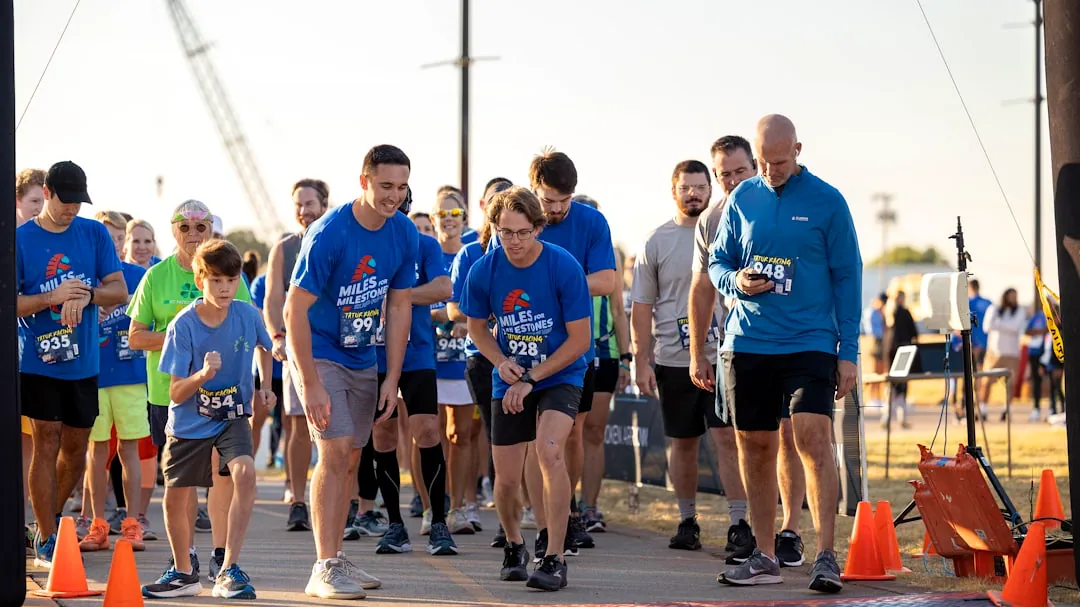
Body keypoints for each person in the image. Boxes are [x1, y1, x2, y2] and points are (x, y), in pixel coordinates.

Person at [710, 115, 861, 593]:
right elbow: (718, 260)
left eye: (779, 161)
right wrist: (735, 282)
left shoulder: (828, 201)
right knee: (755, 447)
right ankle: (764, 554)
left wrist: (849, 351)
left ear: (797, 149)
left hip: (810, 341)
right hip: (749, 342)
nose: (770, 170)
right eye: (762, 161)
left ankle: (825, 556)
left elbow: (848, 277)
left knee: (813, 439)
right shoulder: (743, 197)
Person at [285, 145, 418, 600]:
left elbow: (399, 305)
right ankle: (322, 568)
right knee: (335, 451)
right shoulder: (328, 233)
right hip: (321, 353)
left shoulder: (403, 232)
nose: (394, 196)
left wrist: (392, 377)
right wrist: (311, 381)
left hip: (365, 357)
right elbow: (293, 309)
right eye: (385, 186)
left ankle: (337, 556)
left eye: (401, 187)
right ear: (364, 182)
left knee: (353, 457)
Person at [460, 186, 592, 591]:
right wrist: (502, 362)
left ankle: (553, 555)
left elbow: (579, 340)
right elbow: (476, 328)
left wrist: (533, 377)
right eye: (505, 232)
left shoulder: (562, 265)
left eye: (522, 232)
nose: (514, 241)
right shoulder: (485, 268)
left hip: (559, 374)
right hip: (509, 377)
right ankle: (515, 544)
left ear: (538, 227)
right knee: (506, 478)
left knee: (550, 451)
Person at [492, 150, 616, 557]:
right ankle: (542, 519)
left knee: (570, 436)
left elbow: (608, 279)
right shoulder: (518, 221)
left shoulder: (591, 221)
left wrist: (559, 282)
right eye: (550, 201)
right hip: (521, 352)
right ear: (533, 191)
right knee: (532, 442)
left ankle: (569, 511)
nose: (559, 209)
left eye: (566, 200)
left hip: (571, 350)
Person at [141, 240, 274, 600]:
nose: (225, 288)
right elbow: (175, 393)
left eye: (231, 280)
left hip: (231, 416)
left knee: (245, 474)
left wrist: (266, 385)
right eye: (215, 280)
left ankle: (229, 568)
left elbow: (264, 347)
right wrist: (201, 375)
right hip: (189, 420)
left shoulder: (247, 314)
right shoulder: (183, 325)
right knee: (174, 499)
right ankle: (183, 573)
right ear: (201, 280)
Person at [129, 199, 254, 579]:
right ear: (173, 230)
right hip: (171, 395)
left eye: (202, 227)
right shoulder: (156, 276)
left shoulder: (229, 272)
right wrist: (181, 336)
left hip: (221, 396)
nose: (194, 235)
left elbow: (248, 326)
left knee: (221, 475)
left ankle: (220, 553)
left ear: (211, 231)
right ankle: (185, 556)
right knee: (180, 484)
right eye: (185, 227)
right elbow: (135, 337)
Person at [690, 135, 799, 565]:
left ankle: (790, 530)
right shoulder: (711, 221)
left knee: (790, 436)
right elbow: (701, 288)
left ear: (756, 166)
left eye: (740, 171)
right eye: (724, 175)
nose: (733, 181)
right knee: (747, 440)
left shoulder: (788, 203)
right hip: (740, 343)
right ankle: (752, 529)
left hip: (793, 341)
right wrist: (698, 351)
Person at [17, 161, 130, 567]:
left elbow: (118, 290)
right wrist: (52, 297)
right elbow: (11, 304)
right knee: (46, 441)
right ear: (46, 193)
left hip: (84, 363)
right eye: (65, 201)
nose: (72, 210)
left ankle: (46, 522)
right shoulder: (21, 240)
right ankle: (48, 535)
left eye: (78, 202)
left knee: (77, 446)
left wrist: (86, 295)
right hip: (39, 360)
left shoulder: (94, 233)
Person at [633, 159, 743, 554]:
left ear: (710, 189)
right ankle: (686, 519)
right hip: (674, 360)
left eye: (701, 186)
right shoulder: (656, 241)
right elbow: (642, 306)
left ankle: (740, 522)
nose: (694, 193)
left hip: (725, 355)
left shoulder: (726, 228)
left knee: (728, 439)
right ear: (674, 190)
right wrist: (641, 359)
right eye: (686, 187)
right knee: (682, 444)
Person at [358, 211, 456, 555]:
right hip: (372, 355)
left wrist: (399, 296)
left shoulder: (425, 245)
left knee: (428, 430)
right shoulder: (361, 245)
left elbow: (443, 288)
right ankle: (396, 525)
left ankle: (439, 521)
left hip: (417, 354)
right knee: (382, 436)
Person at [78, 211, 152, 553]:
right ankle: (97, 525)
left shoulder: (139, 276)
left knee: (130, 449)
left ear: (125, 240)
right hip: (92, 375)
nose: (115, 243)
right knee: (96, 450)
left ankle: (132, 522)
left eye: (119, 238)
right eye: (106, 237)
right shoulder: (85, 279)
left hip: (130, 376)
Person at [448, 177, 515, 547]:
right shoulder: (470, 253)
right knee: (493, 435)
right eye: (494, 203)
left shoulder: (529, 248)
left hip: (525, 358)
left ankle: (522, 513)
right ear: (484, 207)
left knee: (528, 438)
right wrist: (485, 317)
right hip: (482, 358)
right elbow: (454, 306)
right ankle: (475, 506)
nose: (500, 209)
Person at [263, 178, 329, 531]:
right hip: (296, 350)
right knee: (297, 425)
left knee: (340, 429)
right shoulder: (285, 248)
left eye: (310, 204)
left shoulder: (337, 239)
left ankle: (344, 501)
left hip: (336, 349)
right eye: (298, 205)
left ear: (324, 205)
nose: (304, 211)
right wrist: (277, 336)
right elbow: (273, 299)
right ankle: (299, 502)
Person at [568, 194, 631, 534]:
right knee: (568, 432)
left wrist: (626, 358)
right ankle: (566, 504)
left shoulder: (609, 259)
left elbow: (620, 311)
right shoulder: (563, 255)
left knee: (593, 431)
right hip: (566, 351)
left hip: (603, 351)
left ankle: (590, 506)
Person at [432, 188, 483, 534]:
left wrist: (463, 320)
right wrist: (449, 317)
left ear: (465, 218)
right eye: (442, 215)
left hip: (460, 360)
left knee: (461, 434)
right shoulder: (424, 253)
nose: (449, 221)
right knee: (429, 435)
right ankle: (432, 508)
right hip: (426, 356)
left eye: (455, 215)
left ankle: (461, 506)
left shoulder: (474, 255)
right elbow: (410, 301)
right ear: (433, 219)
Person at [15, 167, 46, 552]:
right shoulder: (16, 242)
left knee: (34, 444)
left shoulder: (53, 243)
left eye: (45, 201)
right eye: (34, 202)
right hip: (19, 356)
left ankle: (31, 522)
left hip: (43, 359)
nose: (40, 209)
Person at [250, 272, 284, 467]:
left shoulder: (304, 274)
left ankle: (291, 486)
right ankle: (247, 472)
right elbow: (260, 323)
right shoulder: (261, 282)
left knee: (292, 425)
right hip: (263, 367)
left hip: (292, 364)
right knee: (256, 421)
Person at [980, 288, 1028, 421]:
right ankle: (983, 409)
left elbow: (1016, 327)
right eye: (1011, 296)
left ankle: (1007, 410)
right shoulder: (994, 309)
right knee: (986, 382)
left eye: (1015, 296)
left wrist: (999, 325)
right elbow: (987, 326)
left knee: (1010, 383)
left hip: (1012, 353)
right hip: (994, 352)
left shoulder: (1019, 310)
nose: (1013, 299)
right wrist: (1006, 326)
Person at [883, 291, 918, 429]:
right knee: (902, 385)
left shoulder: (888, 314)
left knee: (892, 385)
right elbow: (914, 332)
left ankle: (887, 417)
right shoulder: (904, 312)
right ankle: (901, 417)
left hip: (891, 351)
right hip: (904, 351)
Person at [861, 293, 888, 410]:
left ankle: (879, 397)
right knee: (874, 371)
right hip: (875, 341)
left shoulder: (880, 312)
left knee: (881, 371)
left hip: (881, 342)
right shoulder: (871, 312)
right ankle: (872, 397)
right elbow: (872, 330)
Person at [1025, 306, 1049, 421]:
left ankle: (1053, 409)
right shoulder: (1037, 316)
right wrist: (1041, 331)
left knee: (1052, 380)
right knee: (1036, 380)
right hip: (1035, 352)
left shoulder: (1054, 314)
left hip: (1050, 351)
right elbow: (1027, 330)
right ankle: (1036, 409)